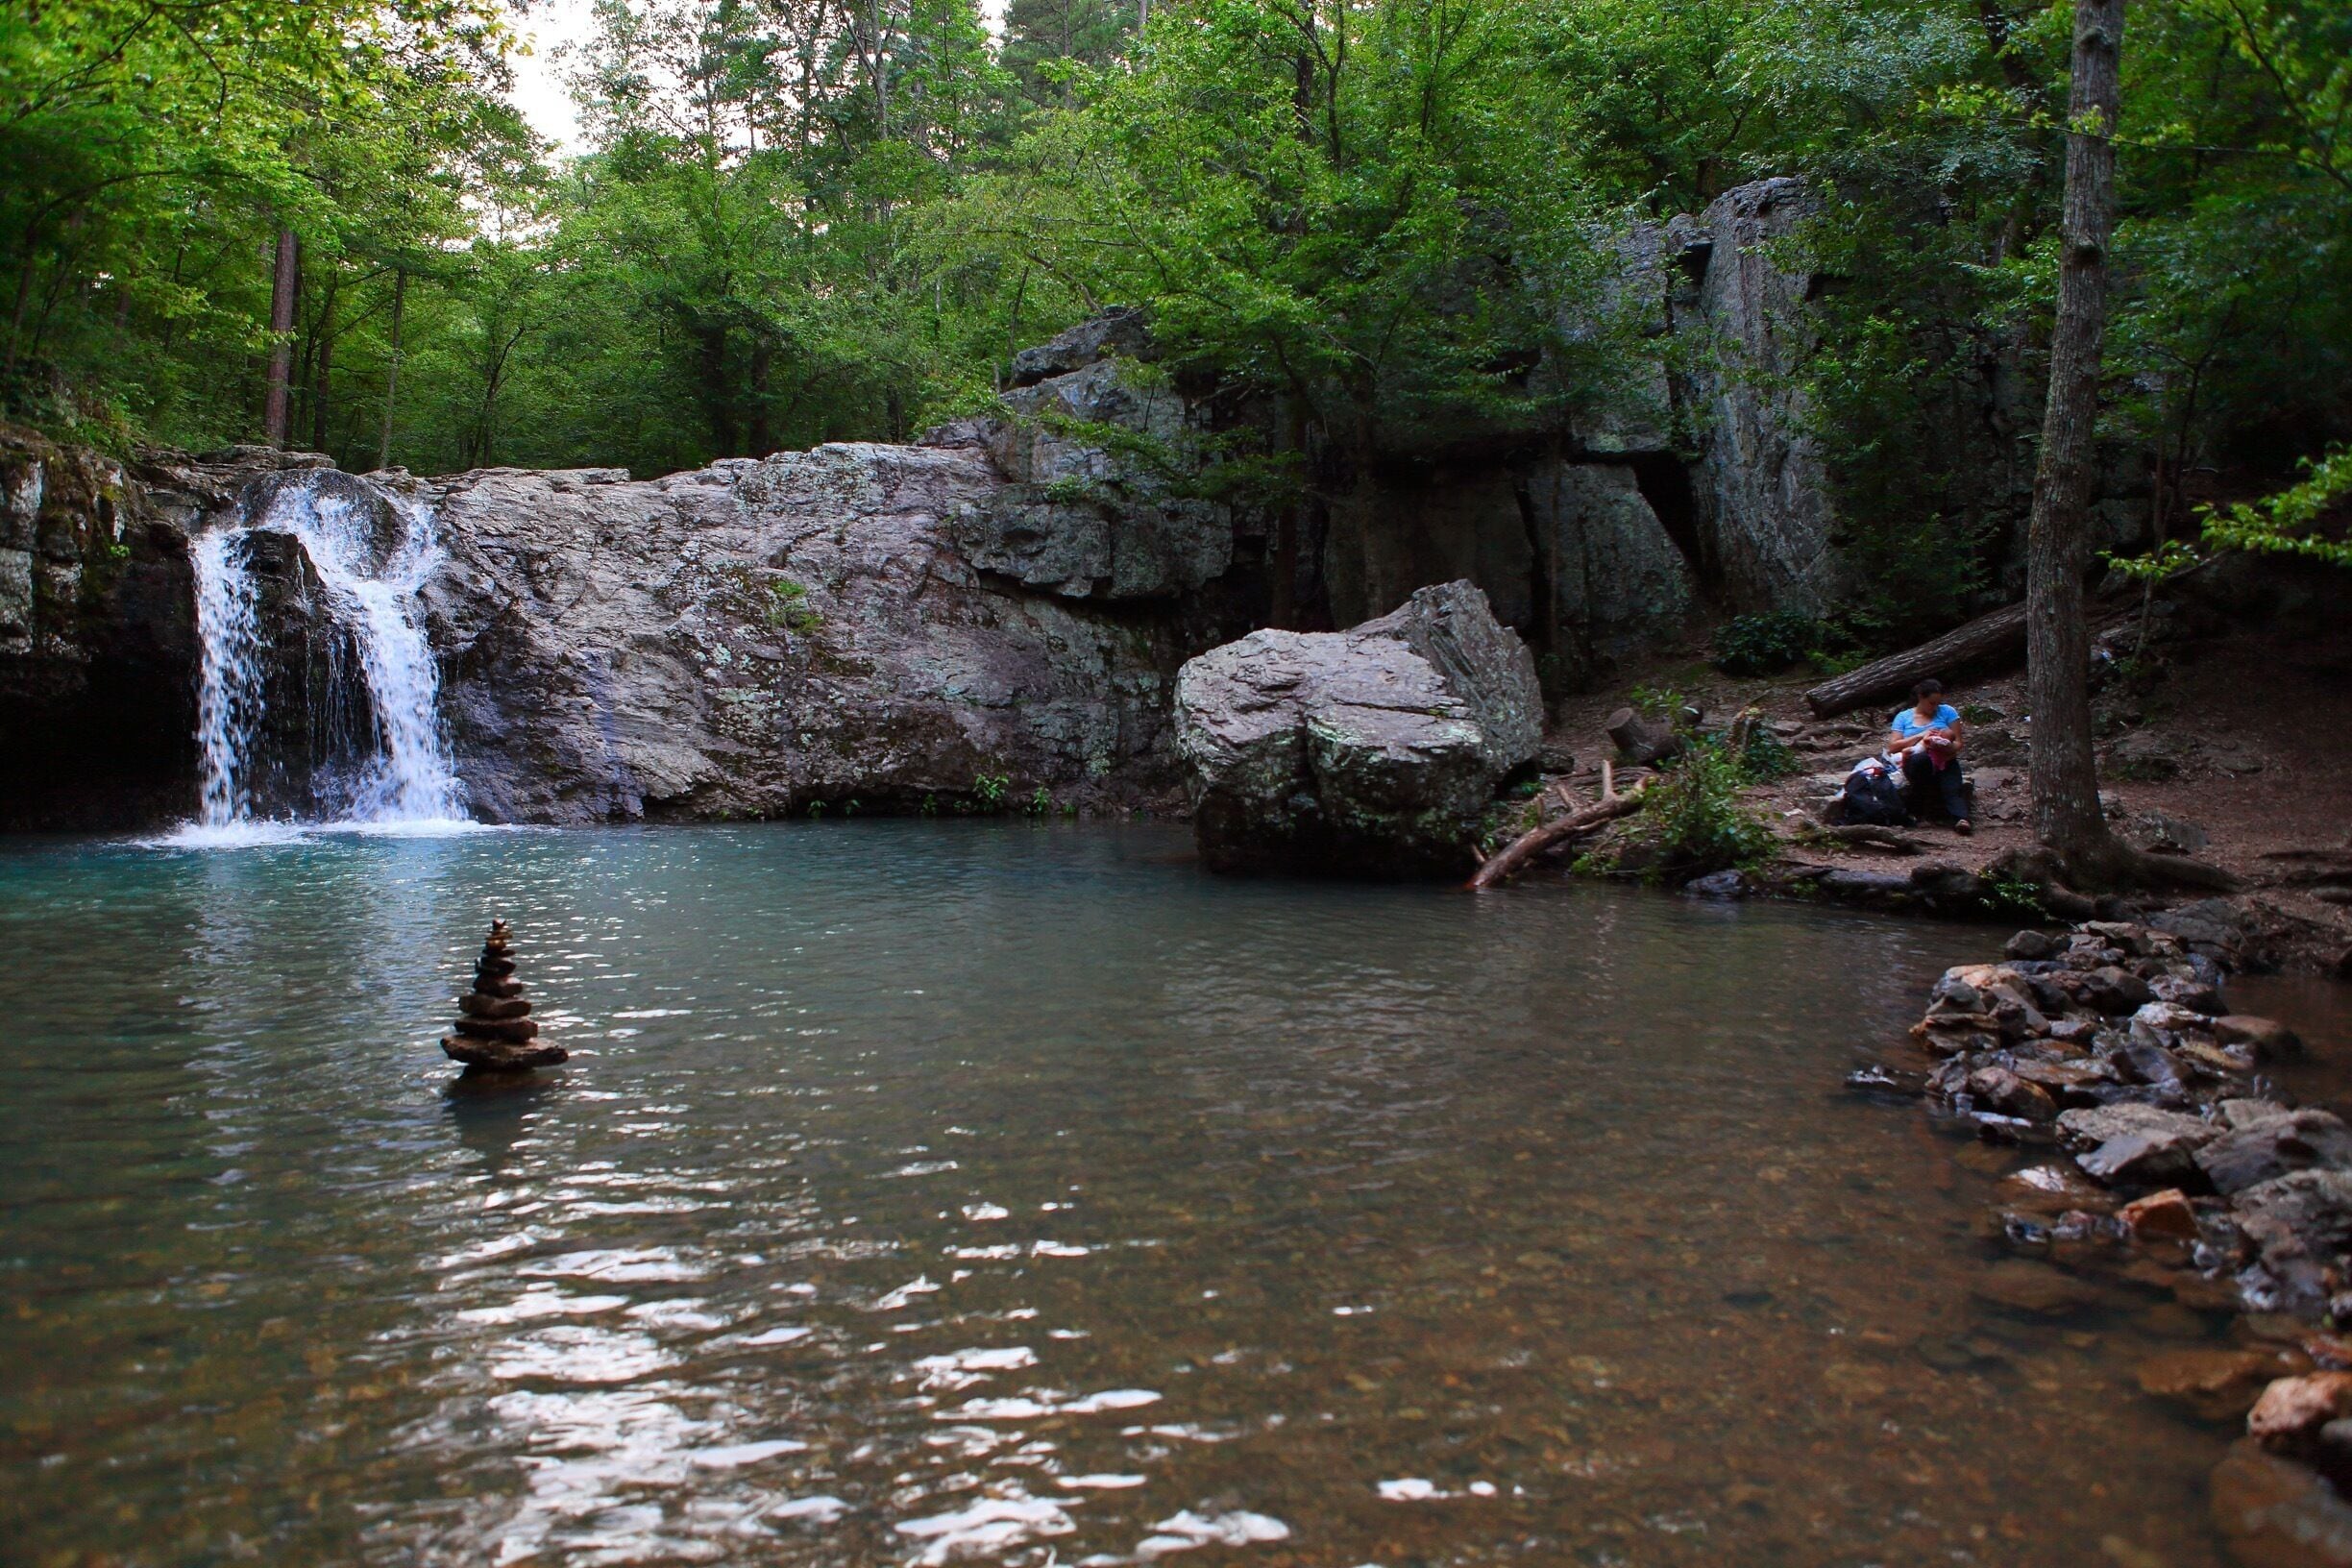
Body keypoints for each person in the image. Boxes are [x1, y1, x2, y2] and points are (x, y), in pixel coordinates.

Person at [1887, 678, 1972, 834]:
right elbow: (1893, 746)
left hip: (1944, 759)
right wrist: (1921, 735)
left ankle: (1961, 818)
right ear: (1921, 697)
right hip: (1916, 762)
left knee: (1951, 781)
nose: (1935, 708)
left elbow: (1958, 742)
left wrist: (1945, 747)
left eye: (1937, 704)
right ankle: (1918, 812)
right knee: (1922, 760)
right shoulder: (1904, 717)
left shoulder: (1948, 712)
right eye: (1931, 703)